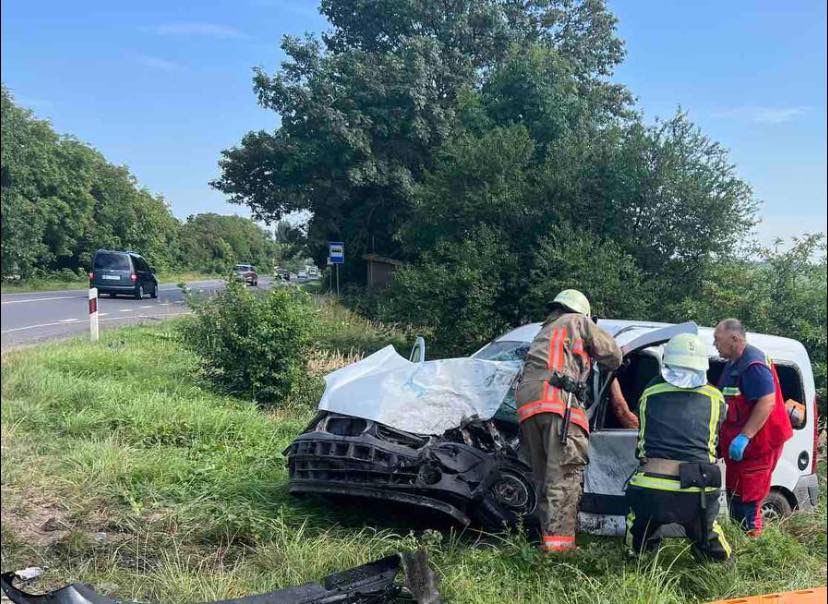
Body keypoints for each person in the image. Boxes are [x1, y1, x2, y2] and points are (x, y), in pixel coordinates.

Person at [515, 289, 622, 553]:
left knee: (544, 479)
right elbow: (614, 355)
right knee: (564, 477)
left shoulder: (543, 332)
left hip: (528, 409)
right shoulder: (579, 321)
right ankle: (560, 552)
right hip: (558, 406)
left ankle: (547, 542)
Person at [624, 333, 731, 562]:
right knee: (708, 532)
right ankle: (717, 562)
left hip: (651, 485)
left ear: (667, 361)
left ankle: (640, 558)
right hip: (698, 487)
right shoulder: (715, 397)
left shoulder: (650, 392)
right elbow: (715, 437)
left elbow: (642, 441)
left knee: (639, 527)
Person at [714, 319, 793, 537]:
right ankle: (740, 542)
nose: (715, 345)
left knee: (747, 503)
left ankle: (752, 549)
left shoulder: (753, 364)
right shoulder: (733, 363)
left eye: (717, 340)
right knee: (735, 497)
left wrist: (744, 437)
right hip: (741, 451)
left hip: (757, 447)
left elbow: (767, 401)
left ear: (734, 339)